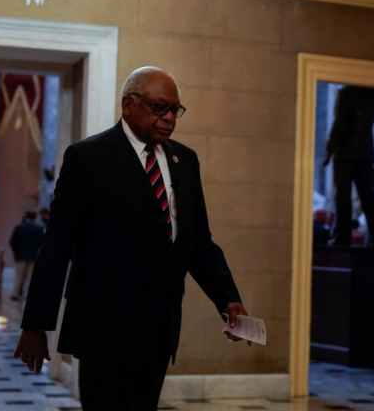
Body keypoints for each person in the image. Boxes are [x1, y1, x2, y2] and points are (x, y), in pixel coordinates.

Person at [14, 66, 248, 411]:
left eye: (175, 110)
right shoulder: (87, 158)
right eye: (159, 108)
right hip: (103, 327)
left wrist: (227, 299)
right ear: (128, 105)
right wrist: (36, 324)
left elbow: (198, 242)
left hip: (159, 326)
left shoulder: (184, 161)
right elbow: (57, 245)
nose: (169, 118)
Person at [324, 85, 374, 246]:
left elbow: (339, 124)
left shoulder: (346, 93)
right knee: (367, 196)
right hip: (364, 153)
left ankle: (343, 237)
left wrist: (329, 150)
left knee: (343, 197)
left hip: (344, 153)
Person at [9, 211, 45, 301]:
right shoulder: (39, 228)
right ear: (35, 217)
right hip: (33, 256)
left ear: (26, 217)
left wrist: (16, 252)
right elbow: (42, 243)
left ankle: (15, 294)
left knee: (19, 276)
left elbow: (12, 241)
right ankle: (27, 295)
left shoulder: (19, 227)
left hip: (20, 256)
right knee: (30, 277)